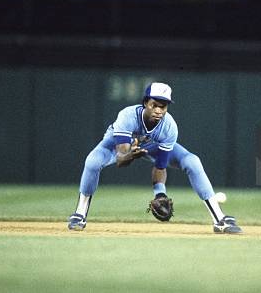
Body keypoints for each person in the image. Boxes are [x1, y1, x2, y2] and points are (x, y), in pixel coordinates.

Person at [67, 82, 242, 234]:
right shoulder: (127, 116)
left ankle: (220, 219)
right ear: (145, 103)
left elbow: (160, 167)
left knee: (192, 161)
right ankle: (80, 214)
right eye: (155, 105)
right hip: (117, 146)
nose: (159, 110)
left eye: (163, 106)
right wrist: (129, 155)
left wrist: (160, 194)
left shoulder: (169, 127)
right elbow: (121, 160)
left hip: (151, 148)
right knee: (92, 161)